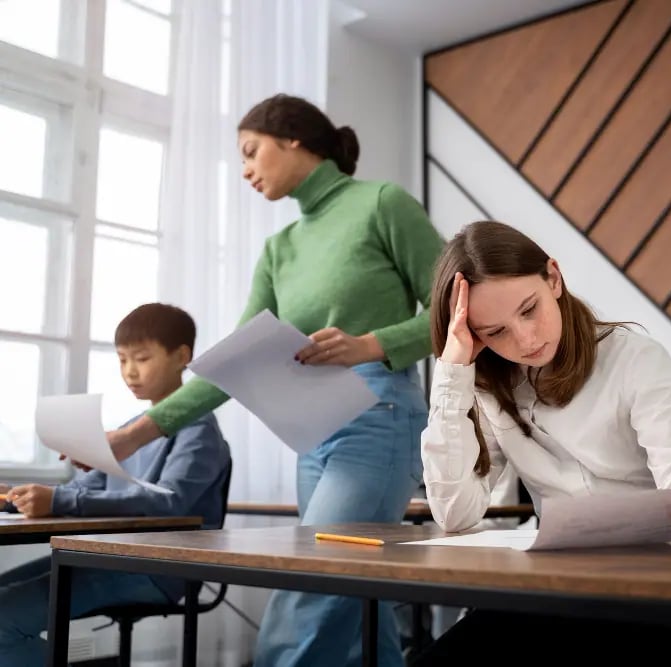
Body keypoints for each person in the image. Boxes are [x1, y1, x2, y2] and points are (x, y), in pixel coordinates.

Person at [95, 94, 442, 667]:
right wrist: (135, 434)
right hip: (313, 431)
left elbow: (457, 310)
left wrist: (372, 344)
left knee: (310, 585)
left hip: (378, 417)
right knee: (358, 599)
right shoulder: (279, 249)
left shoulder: (382, 203)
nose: (245, 170)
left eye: (251, 152)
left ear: (293, 139)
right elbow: (237, 362)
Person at [415, 220, 671, 666]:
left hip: (656, 596)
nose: (525, 339)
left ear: (553, 278)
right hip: (556, 593)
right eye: (494, 332)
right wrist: (452, 371)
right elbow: (455, 513)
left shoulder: (635, 359)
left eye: (529, 310)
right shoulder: (489, 387)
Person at [0, 303, 231, 665]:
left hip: (159, 570)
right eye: (122, 360)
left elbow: (169, 502)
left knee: (2, 619)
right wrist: (16, 498)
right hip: (106, 558)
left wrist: (58, 500)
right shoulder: (131, 430)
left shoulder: (198, 429)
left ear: (182, 356)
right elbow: (86, 490)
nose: (129, 372)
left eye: (141, 358)